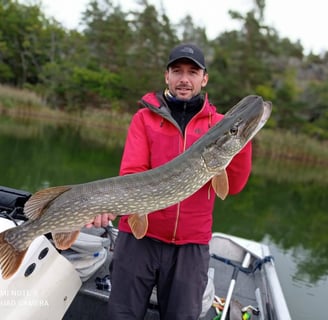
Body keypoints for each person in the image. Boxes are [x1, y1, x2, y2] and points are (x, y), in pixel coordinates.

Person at [87, 43, 252, 320]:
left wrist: (241, 140)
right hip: (138, 240)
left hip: (190, 246)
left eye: (192, 72)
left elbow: (232, 186)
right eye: (177, 71)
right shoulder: (145, 119)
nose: (184, 79)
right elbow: (131, 175)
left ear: (204, 78)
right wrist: (106, 205)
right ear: (167, 76)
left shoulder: (220, 126)